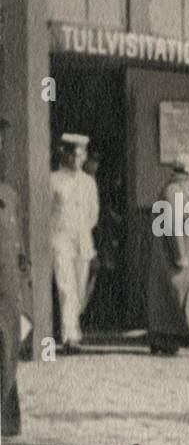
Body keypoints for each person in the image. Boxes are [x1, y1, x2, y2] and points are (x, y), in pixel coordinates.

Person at [147, 153, 189, 355]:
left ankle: (173, 337)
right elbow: (172, 226)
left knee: (182, 296)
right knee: (176, 296)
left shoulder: (182, 193)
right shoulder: (173, 192)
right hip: (179, 255)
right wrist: (180, 253)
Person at [49, 132, 98, 352]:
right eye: (74, 156)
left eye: (81, 156)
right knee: (66, 287)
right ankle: (70, 336)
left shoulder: (88, 182)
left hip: (82, 239)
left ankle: (73, 328)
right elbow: (48, 212)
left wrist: (84, 232)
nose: (78, 160)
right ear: (65, 155)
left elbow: (93, 213)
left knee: (79, 287)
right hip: (61, 239)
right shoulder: (53, 180)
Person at [1, 117, 24, 436]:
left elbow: (19, 249)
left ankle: (6, 421)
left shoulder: (9, 196)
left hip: (8, 294)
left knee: (7, 355)